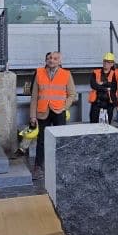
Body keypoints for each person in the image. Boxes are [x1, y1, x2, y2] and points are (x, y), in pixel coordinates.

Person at [29, 52, 77, 181]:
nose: (52, 60)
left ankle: (60, 166)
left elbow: (72, 94)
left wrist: (64, 107)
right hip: (42, 111)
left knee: (60, 140)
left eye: (55, 58)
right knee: (41, 141)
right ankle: (38, 167)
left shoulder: (66, 74)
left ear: (59, 61)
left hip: (58, 112)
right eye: (50, 58)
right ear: (46, 60)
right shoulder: (39, 73)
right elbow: (34, 96)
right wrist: (32, 115)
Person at [89, 52, 116, 124]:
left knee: (107, 124)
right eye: (105, 61)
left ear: (112, 64)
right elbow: (93, 85)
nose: (106, 63)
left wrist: (104, 83)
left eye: (108, 62)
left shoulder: (115, 74)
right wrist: (106, 88)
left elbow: (114, 85)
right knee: (93, 124)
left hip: (109, 104)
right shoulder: (95, 72)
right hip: (96, 103)